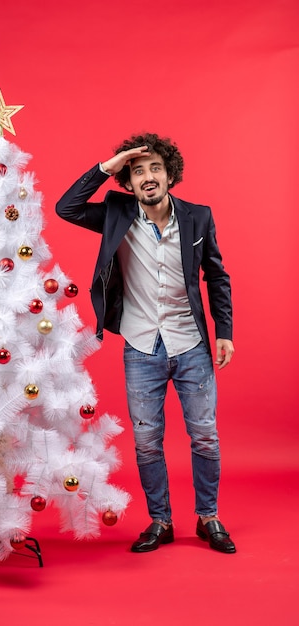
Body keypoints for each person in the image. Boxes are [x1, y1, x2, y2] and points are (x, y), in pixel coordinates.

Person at [55, 133, 236, 554]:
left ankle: (208, 517)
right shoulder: (116, 214)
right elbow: (67, 208)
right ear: (128, 181)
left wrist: (223, 331)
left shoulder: (198, 217)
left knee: (205, 435)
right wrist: (108, 164)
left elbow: (217, 277)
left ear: (170, 175)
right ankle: (161, 521)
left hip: (191, 344)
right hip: (140, 346)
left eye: (155, 168)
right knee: (147, 440)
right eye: (138, 171)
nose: (148, 177)